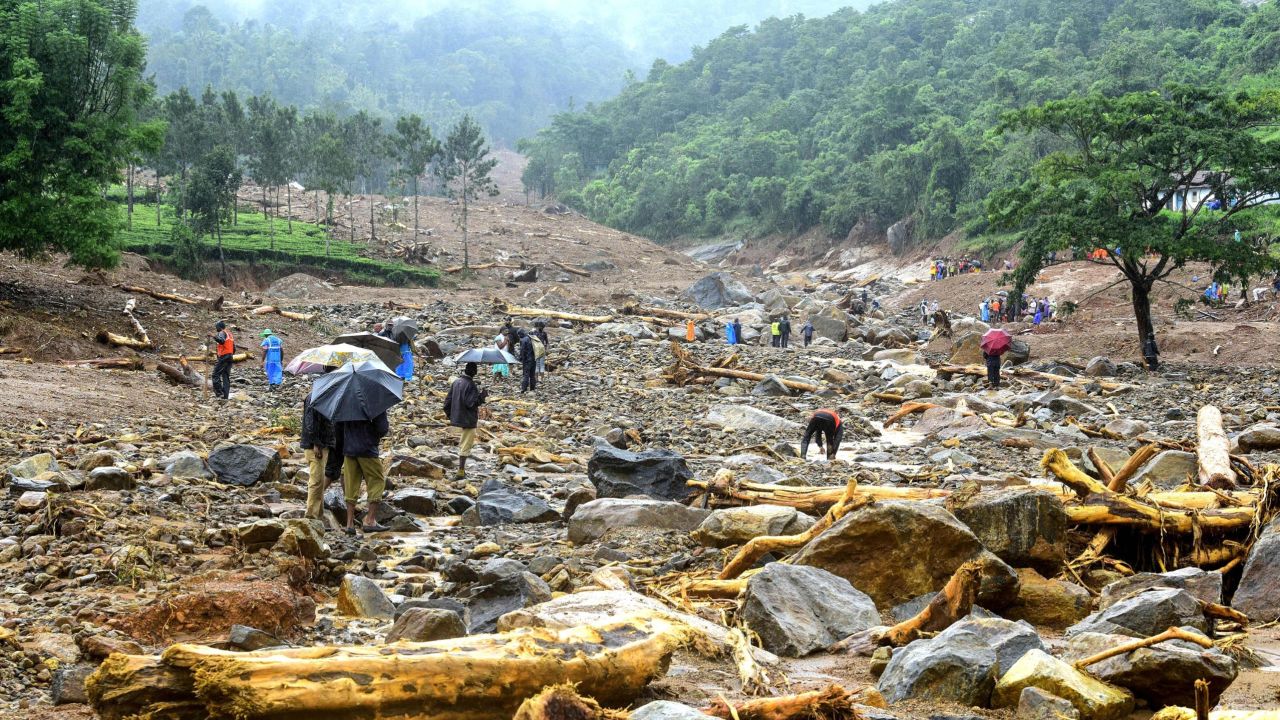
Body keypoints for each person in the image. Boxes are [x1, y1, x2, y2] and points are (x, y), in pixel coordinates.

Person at [338, 410, 391, 534]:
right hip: (367, 449)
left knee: (351, 485)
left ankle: (349, 525)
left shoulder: (346, 401)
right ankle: (370, 521)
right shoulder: (374, 401)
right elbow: (382, 428)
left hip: (349, 449)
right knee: (377, 481)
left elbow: (338, 427)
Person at [300, 374, 336, 521]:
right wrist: (316, 444)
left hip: (321, 443)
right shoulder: (314, 397)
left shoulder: (320, 396)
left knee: (319, 480)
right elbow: (310, 423)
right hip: (315, 445)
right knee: (316, 481)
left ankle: (318, 514)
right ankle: (311, 515)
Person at [445, 362, 488, 480]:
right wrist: (482, 396)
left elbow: (447, 402)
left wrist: (451, 415)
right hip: (468, 419)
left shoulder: (456, 382)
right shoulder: (471, 385)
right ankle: (460, 471)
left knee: (462, 444)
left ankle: (461, 471)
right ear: (475, 372)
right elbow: (471, 404)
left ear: (465, 370)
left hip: (457, 417)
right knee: (465, 445)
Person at [210, 321, 234, 400]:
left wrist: (213, 336)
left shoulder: (221, 333)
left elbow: (222, 341)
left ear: (219, 327)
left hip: (224, 356)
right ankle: (225, 396)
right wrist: (230, 354)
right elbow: (234, 348)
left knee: (215, 374)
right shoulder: (229, 334)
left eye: (216, 327)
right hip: (230, 356)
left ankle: (219, 394)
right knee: (225, 376)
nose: (216, 328)